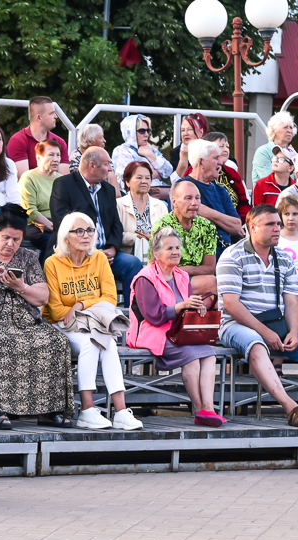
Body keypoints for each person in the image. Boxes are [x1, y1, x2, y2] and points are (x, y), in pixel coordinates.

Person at [216, 204, 298, 427]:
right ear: (252, 227)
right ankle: (291, 408)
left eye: (278, 224)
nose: (277, 229)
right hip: (235, 324)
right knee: (256, 344)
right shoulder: (232, 256)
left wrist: (293, 331)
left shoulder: (284, 258)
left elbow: (292, 301)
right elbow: (231, 305)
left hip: (275, 323)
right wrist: (264, 332)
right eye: (270, 224)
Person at [0, 205, 75, 429]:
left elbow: (42, 297)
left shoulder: (28, 257)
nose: (11, 244)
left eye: (17, 239)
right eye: (6, 238)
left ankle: (50, 410)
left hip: (26, 319)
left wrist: (22, 287)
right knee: (4, 342)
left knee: (57, 342)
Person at [43, 212, 143, 431]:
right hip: (61, 326)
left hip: (92, 321)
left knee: (108, 344)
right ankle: (87, 410)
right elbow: (57, 310)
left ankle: (121, 411)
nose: (86, 235)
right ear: (66, 238)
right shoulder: (53, 263)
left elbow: (109, 298)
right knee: (91, 342)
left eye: (89, 230)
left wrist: (80, 305)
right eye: (79, 231)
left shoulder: (98, 258)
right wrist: (85, 306)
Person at [127, 226, 225, 426]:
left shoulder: (182, 275)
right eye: (169, 248)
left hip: (177, 331)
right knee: (192, 356)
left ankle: (209, 408)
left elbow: (186, 309)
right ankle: (199, 410)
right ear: (156, 253)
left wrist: (198, 309)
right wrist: (182, 306)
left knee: (208, 352)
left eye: (178, 248)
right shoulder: (145, 277)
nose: (175, 252)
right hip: (149, 333)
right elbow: (154, 317)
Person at [46, 147, 142, 307]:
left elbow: (116, 225)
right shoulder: (64, 184)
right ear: (92, 165)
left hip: (107, 256)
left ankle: (133, 320)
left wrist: (112, 248)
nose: (110, 169)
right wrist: (92, 252)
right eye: (107, 164)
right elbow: (62, 223)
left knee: (133, 263)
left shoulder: (108, 190)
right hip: (74, 255)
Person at [151, 180, 217, 294]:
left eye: (197, 198)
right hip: (166, 282)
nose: (194, 203)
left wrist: (185, 270)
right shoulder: (162, 227)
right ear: (174, 202)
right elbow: (157, 268)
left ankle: (190, 310)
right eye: (188, 198)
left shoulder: (207, 226)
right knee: (211, 284)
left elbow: (210, 268)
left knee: (213, 292)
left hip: (195, 280)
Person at [182, 139, 245, 247]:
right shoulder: (183, 186)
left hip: (225, 253)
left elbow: (236, 226)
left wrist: (205, 211)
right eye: (216, 158)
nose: (221, 162)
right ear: (201, 162)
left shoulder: (221, 190)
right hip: (198, 250)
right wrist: (224, 222)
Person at [187, 132, 249, 221]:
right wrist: (229, 223)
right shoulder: (189, 180)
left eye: (227, 146)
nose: (225, 150)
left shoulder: (230, 177)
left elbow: (243, 204)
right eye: (221, 146)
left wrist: (241, 222)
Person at [117, 161, 169, 263]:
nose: (144, 181)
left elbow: (167, 233)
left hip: (157, 255)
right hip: (128, 257)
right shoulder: (118, 205)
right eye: (139, 177)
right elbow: (114, 235)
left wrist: (155, 238)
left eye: (148, 178)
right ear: (127, 181)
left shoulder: (160, 206)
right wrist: (138, 238)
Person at [18, 139, 62, 253]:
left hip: (59, 223)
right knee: (52, 242)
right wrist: (50, 225)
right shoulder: (29, 178)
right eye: (51, 155)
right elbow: (30, 211)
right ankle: (45, 270)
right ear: (39, 157)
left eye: (58, 155)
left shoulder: (62, 180)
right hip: (35, 225)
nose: (56, 159)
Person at [8, 96, 68, 176]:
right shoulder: (18, 140)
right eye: (51, 113)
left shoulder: (60, 142)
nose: (55, 117)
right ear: (39, 118)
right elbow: (24, 180)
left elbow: (64, 180)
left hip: (55, 188)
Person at [111, 114, 174, 190]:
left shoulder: (151, 150)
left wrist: (150, 155)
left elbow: (168, 172)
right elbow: (133, 175)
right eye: (142, 131)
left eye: (148, 131)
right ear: (131, 132)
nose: (146, 134)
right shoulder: (120, 150)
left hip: (159, 195)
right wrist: (157, 174)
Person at [251, 110, 298, 185]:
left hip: (290, 195)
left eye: (291, 128)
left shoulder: (293, 153)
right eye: (285, 127)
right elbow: (273, 181)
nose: (289, 131)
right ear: (273, 130)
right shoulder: (263, 152)